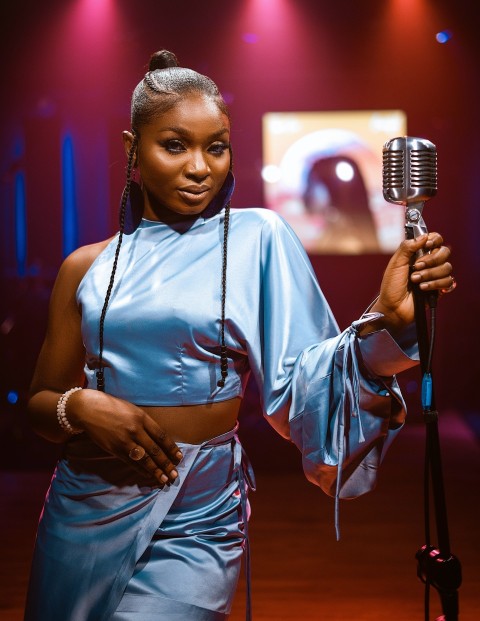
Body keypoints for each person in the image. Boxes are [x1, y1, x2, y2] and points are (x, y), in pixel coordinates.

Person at [24, 50, 455, 621]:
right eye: (175, 145)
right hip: (85, 505)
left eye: (216, 146)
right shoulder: (85, 267)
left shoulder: (257, 237)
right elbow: (36, 404)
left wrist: (388, 315)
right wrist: (85, 407)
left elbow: (309, 375)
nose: (200, 167)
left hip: (197, 514)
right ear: (132, 148)